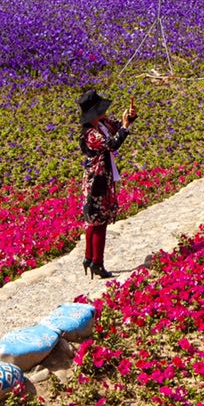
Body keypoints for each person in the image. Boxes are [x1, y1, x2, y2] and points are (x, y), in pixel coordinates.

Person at [77, 89, 137, 279]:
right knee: (99, 221)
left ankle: (89, 258)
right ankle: (97, 263)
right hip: (97, 180)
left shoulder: (102, 124)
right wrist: (125, 127)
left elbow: (120, 126)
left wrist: (129, 117)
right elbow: (112, 144)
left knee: (95, 221)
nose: (104, 112)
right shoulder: (90, 134)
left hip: (103, 177)